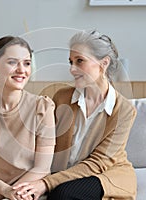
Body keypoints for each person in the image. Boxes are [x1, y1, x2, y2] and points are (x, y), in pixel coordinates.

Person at [13, 30, 137, 200]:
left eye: (80, 61)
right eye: (71, 62)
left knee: (62, 194)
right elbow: (41, 140)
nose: (72, 69)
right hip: (63, 173)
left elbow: (98, 162)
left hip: (104, 174)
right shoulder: (62, 97)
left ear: (103, 63)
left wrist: (46, 184)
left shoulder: (124, 110)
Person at [0, 36, 56, 200]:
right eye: (13, 62)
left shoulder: (43, 107)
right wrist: (5, 192)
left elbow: (42, 168)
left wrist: (13, 194)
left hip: (30, 188)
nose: (22, 70)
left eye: (27, 63)